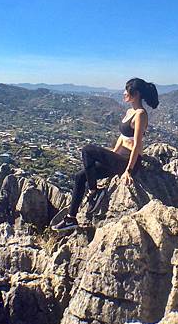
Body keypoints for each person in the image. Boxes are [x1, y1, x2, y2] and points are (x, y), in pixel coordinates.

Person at [53, 77, 159, 231]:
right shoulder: (130, 111)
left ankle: (94, 192)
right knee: (79, 176)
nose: (124, 93)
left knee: (87, 149)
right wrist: (109, 157)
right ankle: (71, 218)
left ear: (135, 94)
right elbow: (122, 138)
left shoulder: (140, 114)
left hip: (128, 162)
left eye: (126, 90)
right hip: (117, 160)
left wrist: (128, 171)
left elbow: (137, 144)